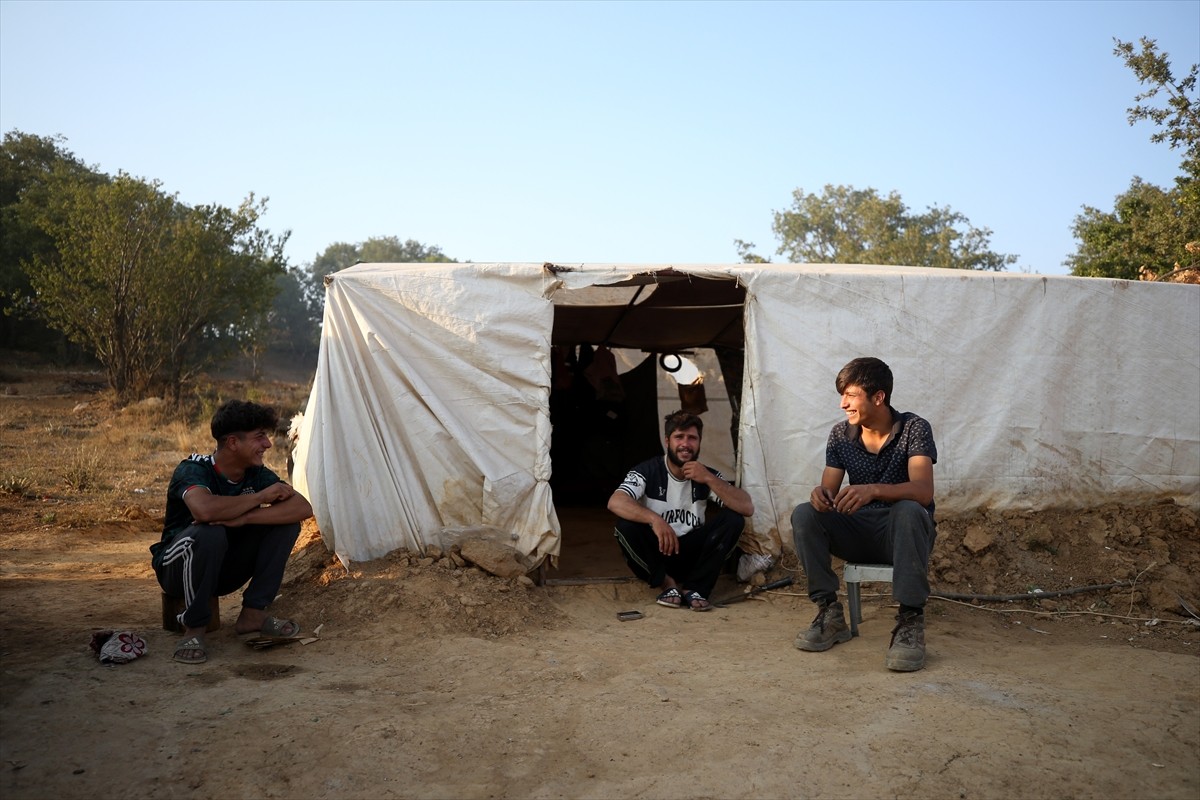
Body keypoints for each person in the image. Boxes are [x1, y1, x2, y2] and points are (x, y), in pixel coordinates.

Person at [790, 357, 937, 671]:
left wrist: (873, 490)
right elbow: (827, 494)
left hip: (902, 533)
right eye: (842, 395)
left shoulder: (914, 428)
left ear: (878, 397)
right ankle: (829, 612)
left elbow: (924, 491)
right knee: (804, 515)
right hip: (858, 532)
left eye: (851, 395)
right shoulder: (840, 435)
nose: (843, 403)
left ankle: (910, 622)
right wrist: (819, 497)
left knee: (910, 510)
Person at [151, 400, 313, 664]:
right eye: (259, 437)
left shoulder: (255, 473)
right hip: (177, 567)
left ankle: (253, 614)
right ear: (233, 443)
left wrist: (246, 518)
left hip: (223, 568)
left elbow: (302, 507)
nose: (268, 444)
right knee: (208, 533)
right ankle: (194, 628)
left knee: (284, 523)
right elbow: (204, 510)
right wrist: (260, 497)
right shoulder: (193, 469)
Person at [609, 410, 755, 611]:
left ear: (699, 442)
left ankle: (695, 587)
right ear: (667, 441)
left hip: (692, 555)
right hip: (658, 552)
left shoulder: (706, 474)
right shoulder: (648, 470)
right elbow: (616, 501)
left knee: (734, 520)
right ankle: (666, 583)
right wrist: (655, 520)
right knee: (625, 527)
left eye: (692, 438)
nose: (686, 444)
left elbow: (746, 507)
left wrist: (709, 478)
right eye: (679, 437)